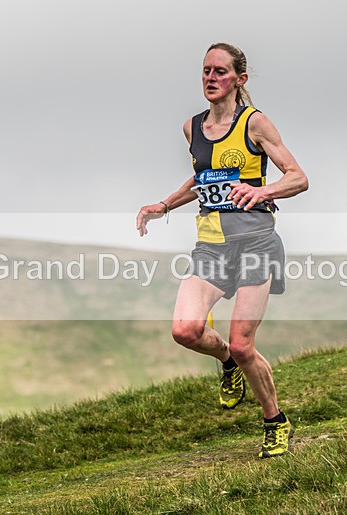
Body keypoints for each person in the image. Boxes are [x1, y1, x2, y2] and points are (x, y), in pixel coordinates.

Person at [136, 42, 308, 458]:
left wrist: (261, 189)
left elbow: (298, 178)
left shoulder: (255, 124)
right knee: (185, 330)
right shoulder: (191, 128)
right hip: (211, 246)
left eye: (220, 71)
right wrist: (164, 204)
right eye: (205, 71)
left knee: (245, 343)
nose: (210, 78)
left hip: (255, 244)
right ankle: (227, 363)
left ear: (239, 79)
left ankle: (274, 421)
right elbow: (201, 178)